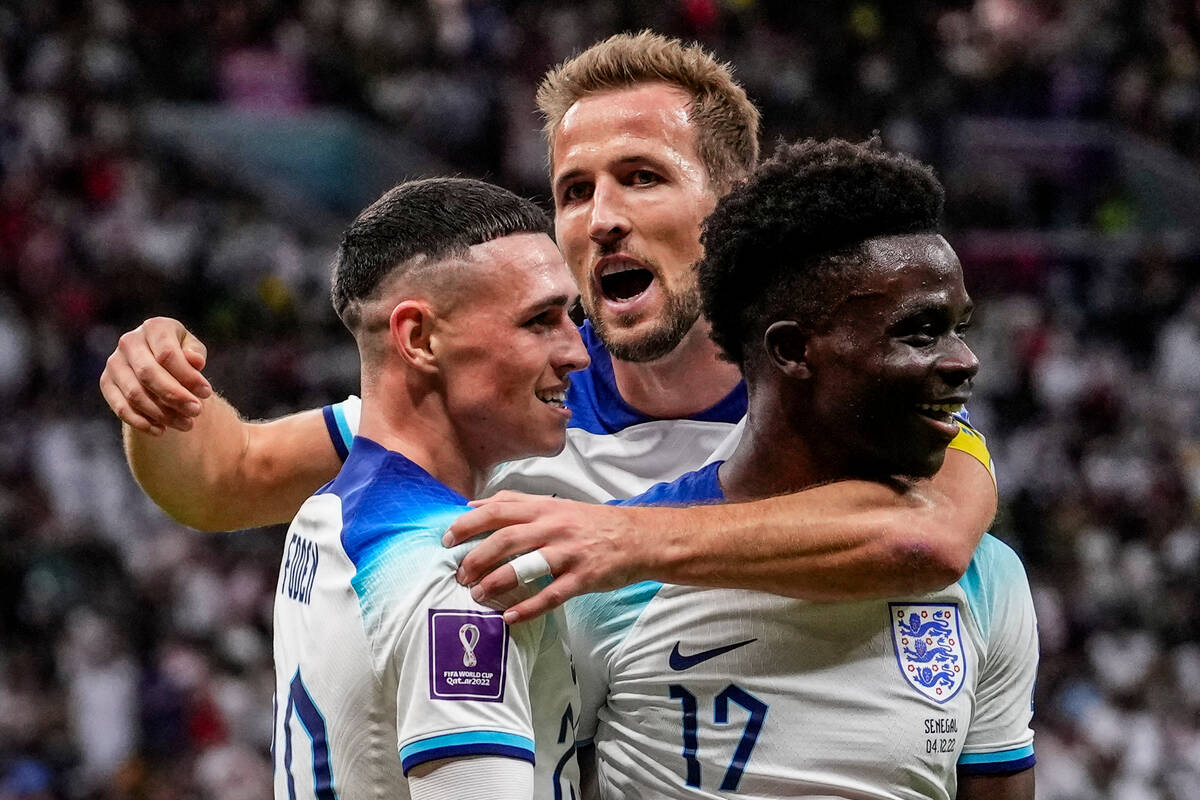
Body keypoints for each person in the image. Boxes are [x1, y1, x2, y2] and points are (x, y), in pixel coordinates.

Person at [99, 32, 997, 624]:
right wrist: (160, 385)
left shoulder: (843, 397)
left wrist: (616, 540)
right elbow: (222, 480)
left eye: (641, 177)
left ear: (733, 209)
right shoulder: (504, 400)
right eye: (574, 190)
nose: (599, 217)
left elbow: (930, 538)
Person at [570, 138, 1036, 800]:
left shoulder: (989, 577)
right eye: (921, 332)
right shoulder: (607, 573)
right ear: (792, 350)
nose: (965, 360)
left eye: (958, 326)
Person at [270, 177, 586, 800]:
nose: (577, 351)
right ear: (419, 339)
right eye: (541, 321)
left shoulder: (321, 516)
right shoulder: (464, 575)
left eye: (570, 317)